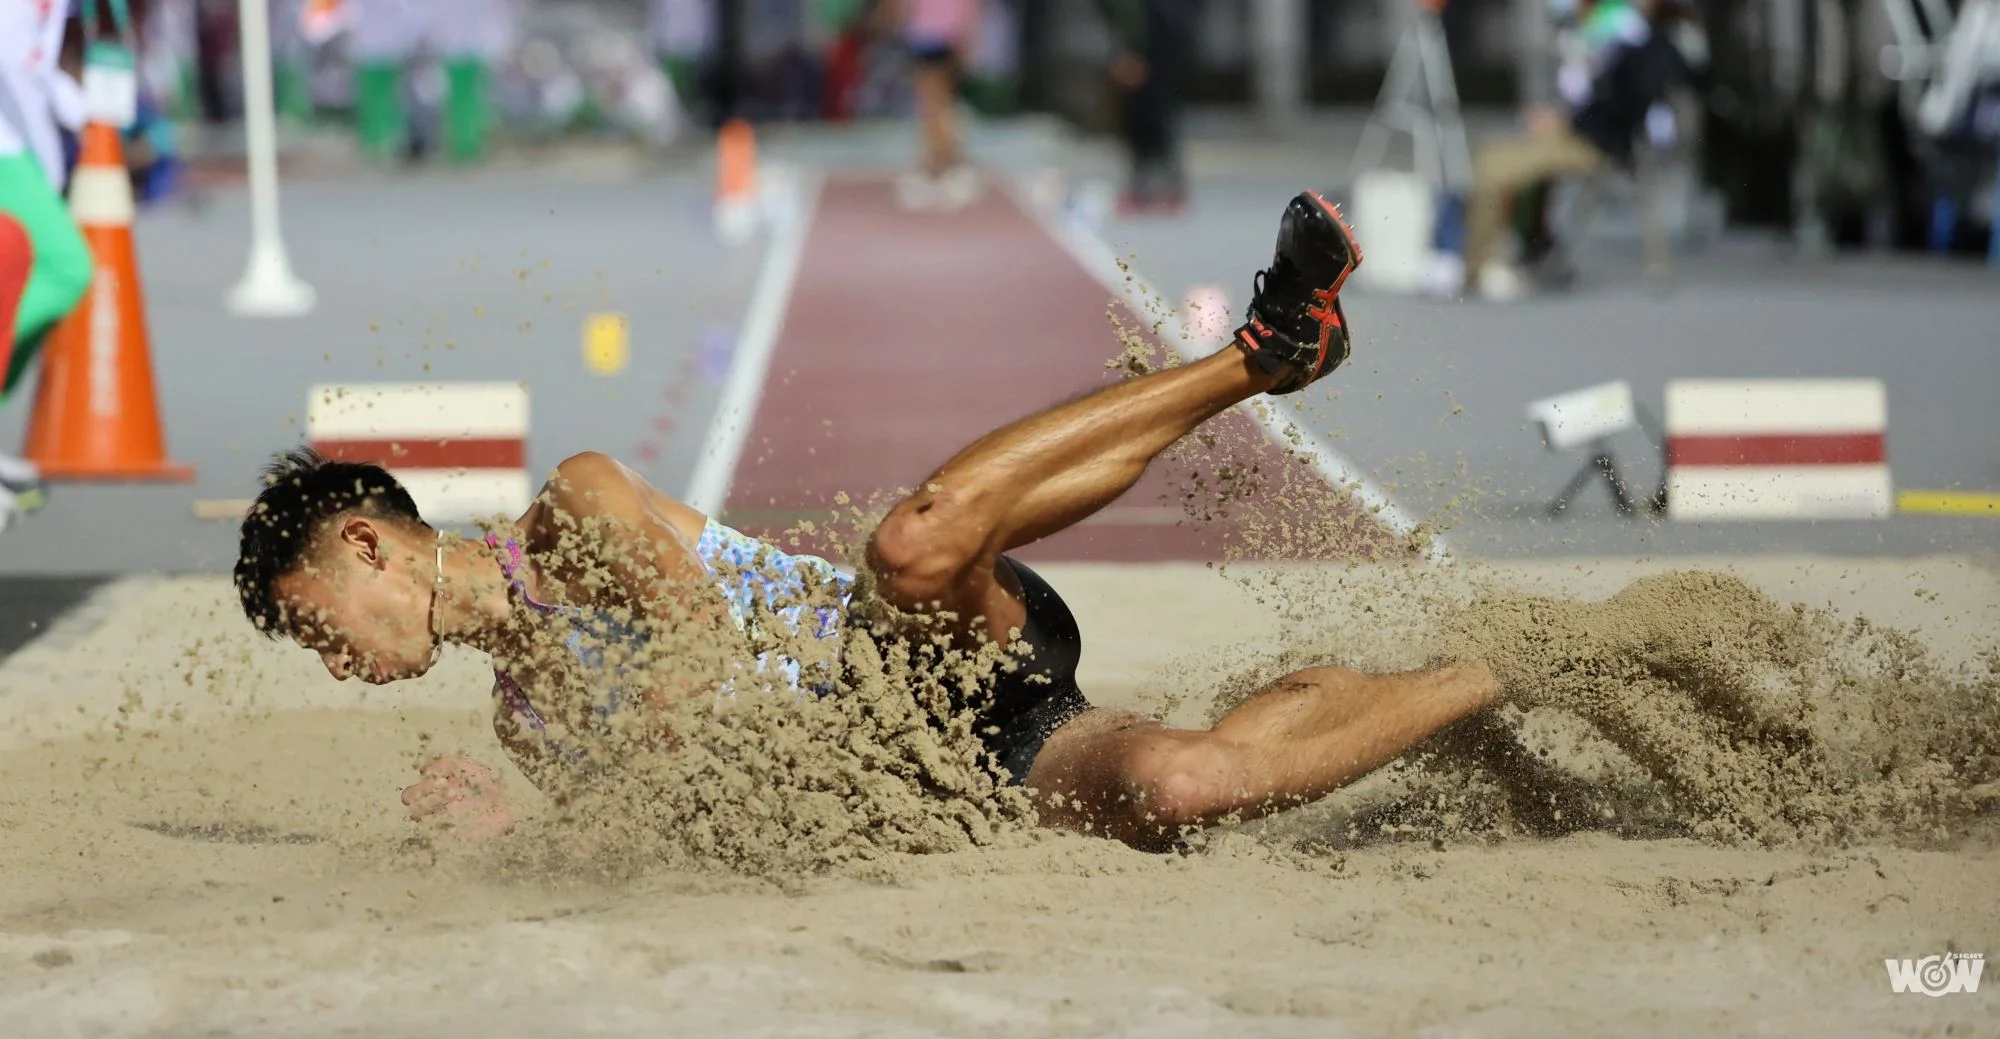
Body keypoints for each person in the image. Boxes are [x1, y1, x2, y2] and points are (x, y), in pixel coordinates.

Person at [232, 191, 1503, 851]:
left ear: (362, 544)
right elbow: (671, 837)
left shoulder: (560, 514)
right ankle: (1497, 669)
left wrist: (684, 706)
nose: (333, 663)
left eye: (315, 628)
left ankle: (1261, 355)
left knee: (904, 546)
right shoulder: (521, 724)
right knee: (1181, 786)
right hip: (945, 759)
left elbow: (674, 606)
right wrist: (512, 839)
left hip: (912, 645)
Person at [1459, 0, 1698, 298]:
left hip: (1593, 142)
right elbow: (1597, 93)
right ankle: (1525, 251)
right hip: (1582, 132)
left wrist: (1565, 119)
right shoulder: (1627, 34)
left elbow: (1618, 104)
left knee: (1494, 168)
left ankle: (1481, 266)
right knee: (1496, 154)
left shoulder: (1636, 37)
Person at [0, 0, 93, 529]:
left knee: (24, 269)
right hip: (9, 140)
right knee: (63, 268)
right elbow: (11, 55)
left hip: (19, 134)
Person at [879, 0, 982, 211]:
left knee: (936, 101)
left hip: (935, 36)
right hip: (933, 35)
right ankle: (940, 158)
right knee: (936, 101)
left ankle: (942, 161)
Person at [1094, 0, 1193, 215]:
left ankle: (1166, 185)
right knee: (1137, 112)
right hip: (1145, 38)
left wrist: (1135, 55)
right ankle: (1146, 184)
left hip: (1160, 39)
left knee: (1155, 109)